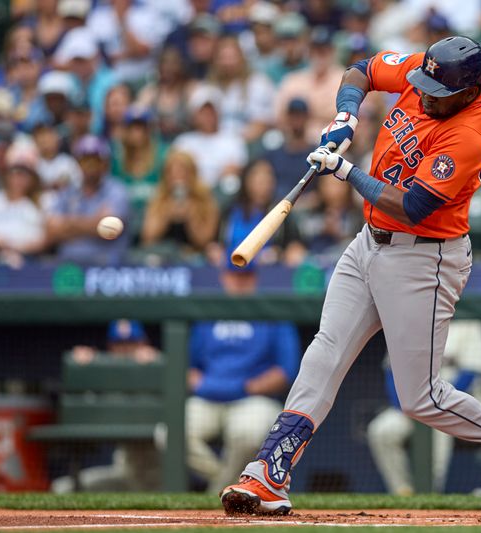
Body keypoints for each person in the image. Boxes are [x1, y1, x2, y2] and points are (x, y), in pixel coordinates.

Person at [220, 36, 481, 518]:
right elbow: (361, 71)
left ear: (469, 91)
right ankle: (270, 471)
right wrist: (345, 116)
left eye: (436, 91)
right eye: (422, 83)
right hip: (368, 242)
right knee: (326, 351)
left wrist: (346, 171)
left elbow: (412, 208)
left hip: (425, 259)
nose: (423, 93)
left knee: (422, 399)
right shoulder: (429, 73)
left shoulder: (472, 131)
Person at [186, 242, 300, 493]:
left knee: (248, 433)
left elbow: (286, 371)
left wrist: (247, 386)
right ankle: (224, 485)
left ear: (255, 276)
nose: (240, 282)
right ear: (224, 277)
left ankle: (217, 491)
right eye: (235, 276)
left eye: (245, 276)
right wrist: (207, 385)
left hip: (253, 398)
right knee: (169, 432)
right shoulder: (208, 313)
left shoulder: (272, 312)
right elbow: (187, 368)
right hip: (208, 398)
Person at [368, 320, 481, 495]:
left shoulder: (470, 327)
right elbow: (392, 372)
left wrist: (438, 405)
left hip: (456, 407)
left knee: (438, 430)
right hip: (411, 407)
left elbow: (471, 373)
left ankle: (429, 492)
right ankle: (403, 492)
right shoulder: (406, 324)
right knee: (382, 430)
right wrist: (406, 406)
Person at [52, 320, 162, 493]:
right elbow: (84, 413)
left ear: (143, 344)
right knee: (61, 489)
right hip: (125, 470)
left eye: (131, 344)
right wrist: (87, 370)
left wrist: (157, 366)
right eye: (119, 344)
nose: (125, 350)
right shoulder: (107, 380)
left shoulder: (157, 369)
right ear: (110, 347)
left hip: (157, 471)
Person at [46, 135, 130, 266]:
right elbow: (52, 230)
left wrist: (68, 224)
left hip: (106, 267)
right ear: (78, 163)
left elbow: (109, 228)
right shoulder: (68, 192)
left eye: (95, 159)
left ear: (105, 163)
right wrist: (94, 223)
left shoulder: (116, 191)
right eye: (85, 159)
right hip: (68, 267)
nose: (90, 165)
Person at [141, 150, 219, 261]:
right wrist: (167, 213)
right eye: (172, 173)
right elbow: (148, 238)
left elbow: (204, 241)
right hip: (162, 256)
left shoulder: (205, 199)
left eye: (183, 173)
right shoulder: (158, 199)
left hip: (195, 257)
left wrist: (191, 214)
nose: (178, 178)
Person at [274, 27, 347, 140]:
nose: (319, 54)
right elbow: (280, 116)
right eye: (315, 49)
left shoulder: (345, 78)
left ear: (332, 51)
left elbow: (345, 116)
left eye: (324, 50)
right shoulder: (293, 79)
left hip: (332, 142)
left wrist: (302, 113)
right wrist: (323, 112)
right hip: (295, 140)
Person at [173, 84, 248, 189]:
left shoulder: (233, 140)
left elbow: (234, 170)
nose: (208, 116)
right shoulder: (184, 142)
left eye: (212, 111)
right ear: (194, 115)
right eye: (203, 112)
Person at [208, 36, 276, 143]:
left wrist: (234, 143)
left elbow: (261, 123)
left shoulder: (258, 84)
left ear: (241, 58)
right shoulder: (210, 87)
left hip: (249, 143)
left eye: (231, 57)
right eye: (223, 58)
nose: (227, 63)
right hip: (216, 143)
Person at [110, 107, 169, 219]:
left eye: (141, 127)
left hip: (156, 218)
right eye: (132, 127)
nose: (137, 132)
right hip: (126, 220)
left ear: (149, 129)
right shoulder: (117, 160)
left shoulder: (163, 156)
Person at [263, 98, 316, 200]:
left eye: (300, 115)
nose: (296, 119)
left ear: (307, 118)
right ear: (287, 118)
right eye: (293, 115)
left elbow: (321, 192)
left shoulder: (317, 154)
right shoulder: (273, 154)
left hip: (308, 210)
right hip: (276, 206)